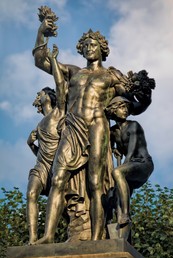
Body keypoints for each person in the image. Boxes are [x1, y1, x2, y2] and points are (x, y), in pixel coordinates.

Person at [32, 15, 155, 243]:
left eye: (93, 44)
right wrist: (42, 32)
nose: (89, 48)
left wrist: (146, 96)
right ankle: (48, 235)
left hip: (97, 127)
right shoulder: (73, 72)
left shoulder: (111, 76)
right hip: (72, 127)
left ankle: (98, 237)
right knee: (58, 177)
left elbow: (134, 107)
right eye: (85, 45)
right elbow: (41, 61)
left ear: (102, 48)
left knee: (95, 183)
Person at [27, 44, 66, 244]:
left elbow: (60, 86)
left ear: (47, 96)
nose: (38, 96)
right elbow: (41, 152)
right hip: (41, 166)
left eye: (40, 93)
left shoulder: (58, 113)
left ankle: (50, 236)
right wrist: (31, 145)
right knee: (31, 193)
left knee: (64, 207)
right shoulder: (39, 124)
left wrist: (54, 63)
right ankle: (32, 239)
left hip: (57, 166)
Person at [106, 96, 154, 227]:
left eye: (126, 107)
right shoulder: (112, 132)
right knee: (115, 196)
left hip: (143, 164)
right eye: (121, 107)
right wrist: (116, 149)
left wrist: (120, 169)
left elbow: (131, 151)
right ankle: (121, 226)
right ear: (113, 111)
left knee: (117, 172)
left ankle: (125, 215)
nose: (125, 110)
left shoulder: (133, 126)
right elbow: (109, 149)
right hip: (131, 168)